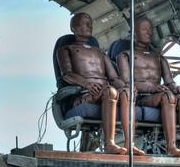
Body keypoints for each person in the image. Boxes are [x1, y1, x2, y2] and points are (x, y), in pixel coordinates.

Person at [117, 14, 180, 158]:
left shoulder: (159, 57)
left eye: (150, 29)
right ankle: (171, 146)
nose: (149, 32)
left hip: (160, 95)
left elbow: (169, 82)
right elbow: (127, 82)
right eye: (144, 29)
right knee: (167, 96)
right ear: (134, 33)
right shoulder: (125, 55)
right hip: (140, 97)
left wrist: (177, 88)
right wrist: (152, 88)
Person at [55, 12, 135, 156]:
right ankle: (109, 143)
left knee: (124, 92)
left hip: (105, 91)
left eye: (90, 23)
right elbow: (67, 75)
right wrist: (86, 84)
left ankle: (130, 144)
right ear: (73, 27)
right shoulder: (65, 49)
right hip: (83, 95)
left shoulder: (100, 53)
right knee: (110, 92)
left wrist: (125, 86)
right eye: (84, 23)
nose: (89, 26)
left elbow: (113, 77)